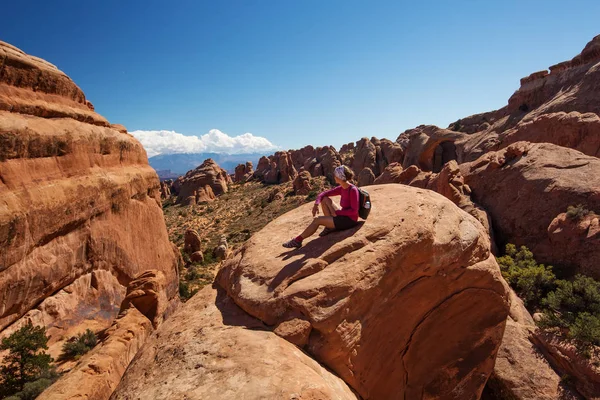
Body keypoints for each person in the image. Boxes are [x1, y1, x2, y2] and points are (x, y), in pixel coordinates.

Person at [283, 165, 359, 248]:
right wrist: (316, 204)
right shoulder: (342, 188)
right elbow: (323, 194)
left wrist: (338, 212)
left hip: (349, 221)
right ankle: (329, 227)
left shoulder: (352, 190)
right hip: (343, 216)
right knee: (325, 199)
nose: (334, 177)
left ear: (340, 177)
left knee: (317, 220)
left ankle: (297, 240)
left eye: (335, 175)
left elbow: (354, 211)